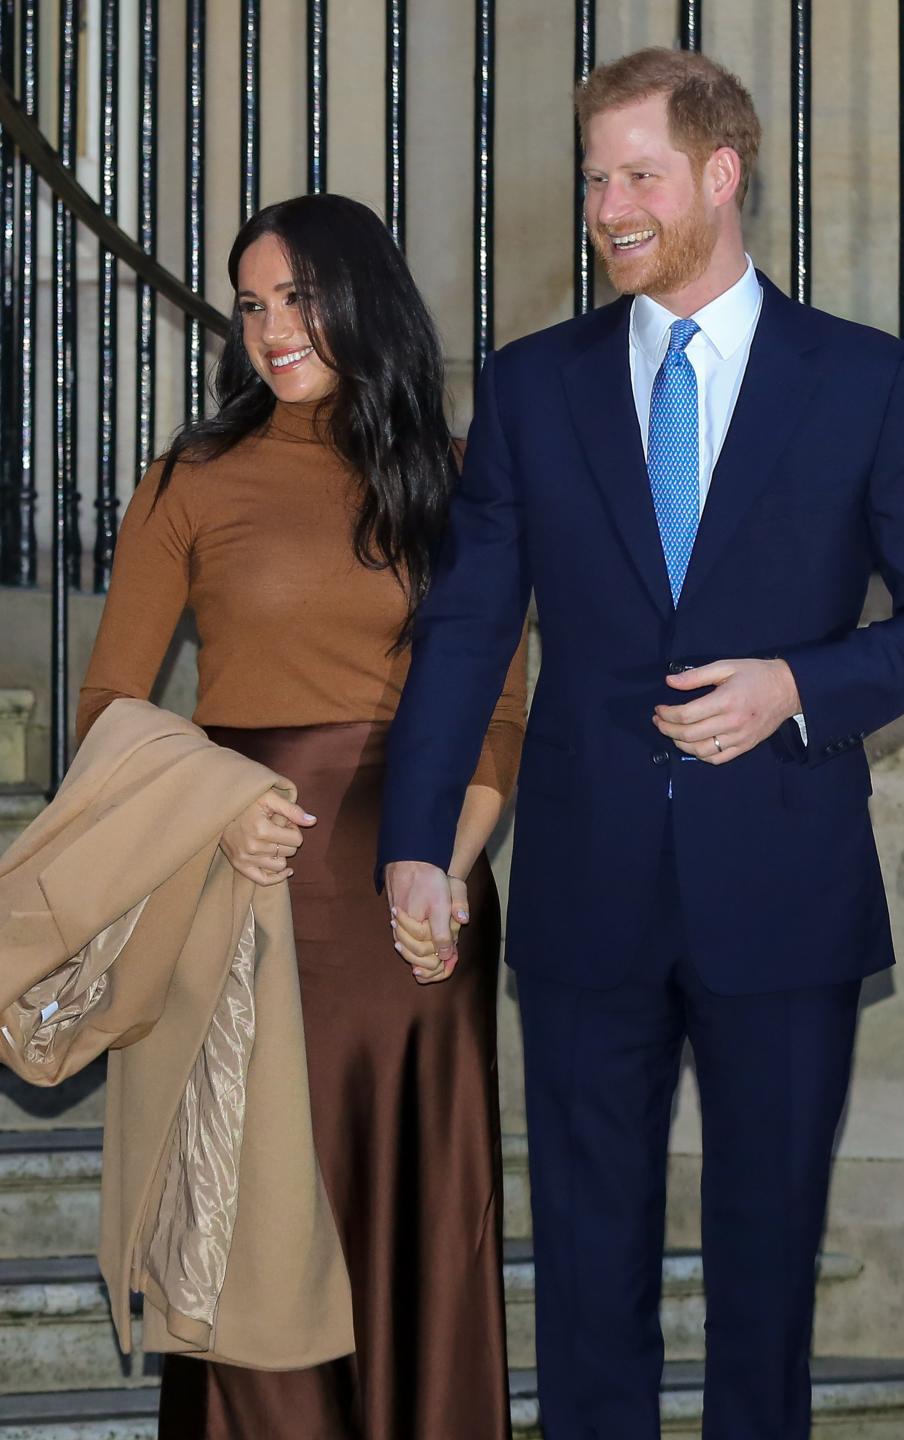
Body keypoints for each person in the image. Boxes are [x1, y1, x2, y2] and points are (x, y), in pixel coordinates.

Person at [378, 47, 904, 1440]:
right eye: (593, 178)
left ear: (721, 172)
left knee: (765, 1283)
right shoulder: (531, 387)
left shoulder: (863, 380)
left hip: (787, 888)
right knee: (586, 1281)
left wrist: (801, 686)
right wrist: (415, 842)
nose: (610, 205)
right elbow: (467, 629)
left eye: (638, 174)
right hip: (587, 894)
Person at [76, 193, 525, 1440]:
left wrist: (448, 870)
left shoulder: (451, 479)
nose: (274, 329)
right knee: (248, 1207)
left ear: (363, 299)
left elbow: (497, 710)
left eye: (300, 298)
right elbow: (111, 700)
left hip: (414, 904)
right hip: (244, 884)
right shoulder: (192, 477)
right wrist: (214, 812)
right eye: (254, 304)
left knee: (414, 1207)